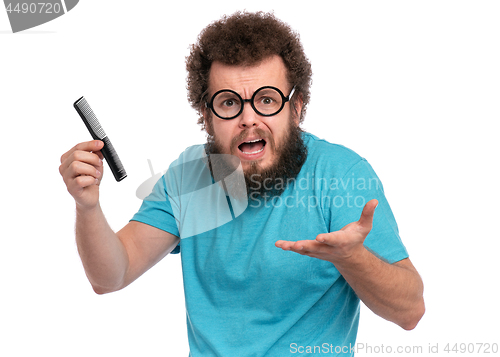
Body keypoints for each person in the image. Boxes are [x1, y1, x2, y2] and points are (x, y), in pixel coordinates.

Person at [59, 11, 424, 356]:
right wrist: (87, 205)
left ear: (297, 108)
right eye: (229, 102)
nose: (249, 118)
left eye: (267, 100)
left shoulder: (340, 174)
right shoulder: (189, 176)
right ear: (206, 115)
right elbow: (111, 275)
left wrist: (352, 257)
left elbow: (410, 312)